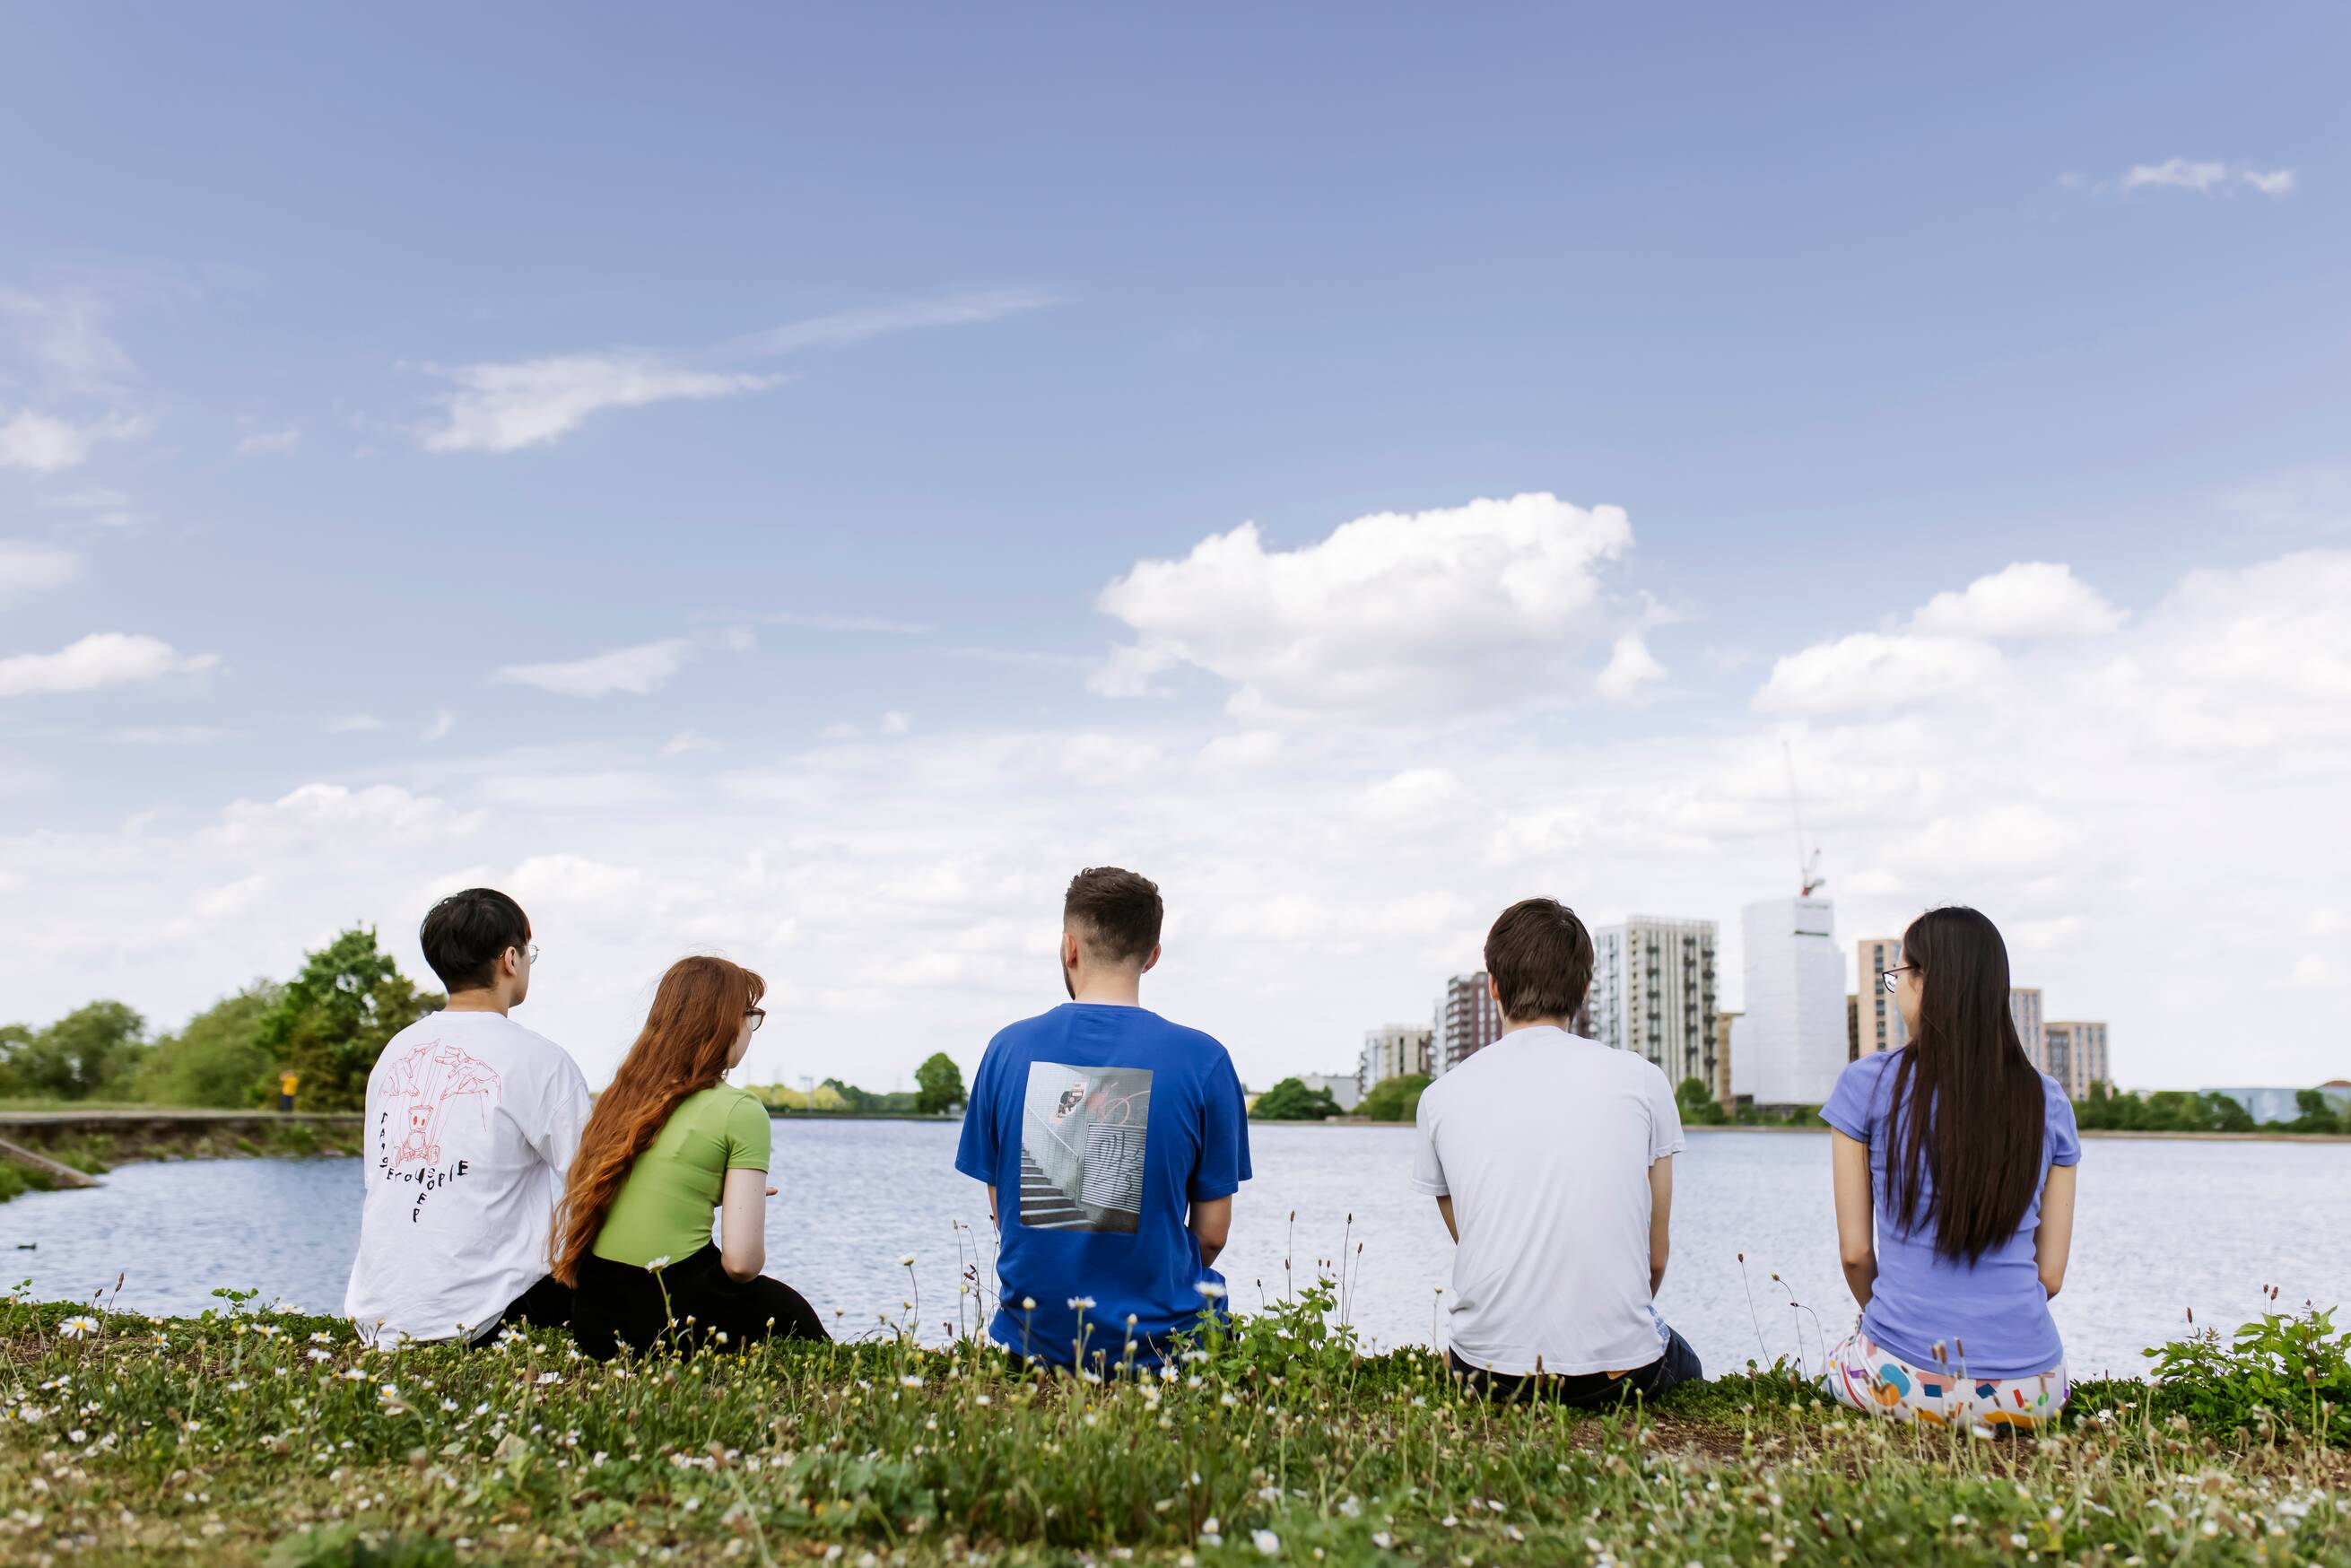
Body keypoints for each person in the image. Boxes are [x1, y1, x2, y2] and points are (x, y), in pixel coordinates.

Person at [955, 867, 1250, 1370]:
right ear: (1152, 956)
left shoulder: (1007, 1049)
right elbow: (1212, 1234)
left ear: (1068, 948)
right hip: (1164, 1347)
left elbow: (1005, 1212)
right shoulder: (1206, 1060)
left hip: (1031, 1340)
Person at [1414, 898, 1701, 1406]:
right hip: (1615, 1376)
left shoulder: (1440, 1097)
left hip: (1485, 1370)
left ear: (1495, 986)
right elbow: (1654, 1259)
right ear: (1584, 989)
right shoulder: (1643, 1080)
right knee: (1685, 1361)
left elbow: (1476, 1238)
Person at [1821, 906, 2078, 1431]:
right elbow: (2049, 1275)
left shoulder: (1866, 1084)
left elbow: (1854, 1255)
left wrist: (1899, 1325)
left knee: (1835, 1364)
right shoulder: (2047, 1101)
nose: (1897, 994)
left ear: (1926, 981)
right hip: (2032, 1391)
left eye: (1898, 977)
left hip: (1901, 1378)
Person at [345, 889, 592, 1346]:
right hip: (485, 1316)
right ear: (511, 959)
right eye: (528, 952)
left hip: (378, 1317)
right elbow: (594, 1181)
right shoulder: (540, 1060)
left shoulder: (395, 1052)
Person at [556, 955, 828, 1358]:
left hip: (594, 1317)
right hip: (665, 1320)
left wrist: (711, 1192)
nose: (750, 1030)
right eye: (749, 1016)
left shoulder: (619, 1099)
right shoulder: (741, 1110)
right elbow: (741, 1264)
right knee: (789, 1313)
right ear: (724, 1022)